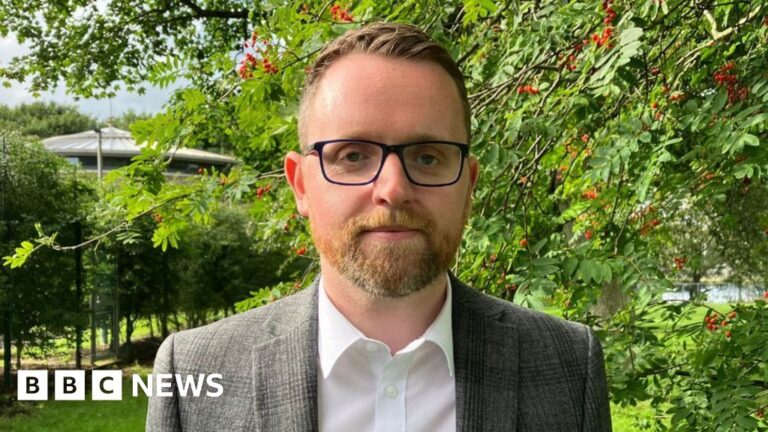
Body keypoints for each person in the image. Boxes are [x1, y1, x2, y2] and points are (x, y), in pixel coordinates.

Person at [147, 22, 612, 432]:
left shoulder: (568, 364)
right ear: (301, 185)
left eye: (427, 157)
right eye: (353, 155)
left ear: (469, 185)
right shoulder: (193, 373)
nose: (393, 188)